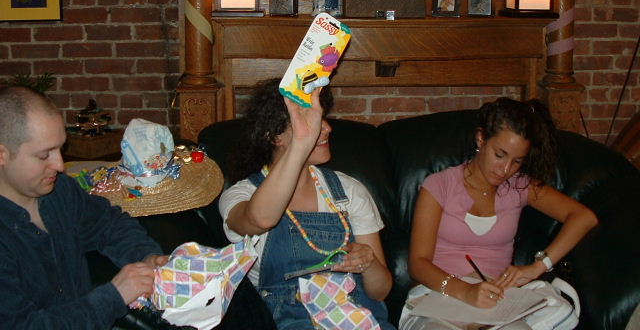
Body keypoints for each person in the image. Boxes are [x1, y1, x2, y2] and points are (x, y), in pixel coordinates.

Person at [400, 98, 598, 330]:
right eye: (500, 154)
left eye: (517, 161)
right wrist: (466, 291)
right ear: (481, 138)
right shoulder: (439, 185)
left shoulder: (520, 186)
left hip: (496, 305)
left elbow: (583, 217)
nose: (505, 170)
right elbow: (418, 264)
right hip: (438, 297)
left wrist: (539, 266)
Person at [218, 78, 394, 329]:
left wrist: (369, 263)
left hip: (355, 314)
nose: (327, 128)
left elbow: (380, 292)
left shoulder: (348, 191)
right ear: (275, 137)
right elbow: (261, 220)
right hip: (289, 320)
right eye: (310, 120)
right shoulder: (242, 195)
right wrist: (302, 144)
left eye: (322, 118)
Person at [0, 86, 169, 328]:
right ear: (2, 155)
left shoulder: (60, 191)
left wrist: (146, 257)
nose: (60, 165)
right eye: (44, 155)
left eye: (60, 148)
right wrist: (114, 297)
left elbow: (109, 224)